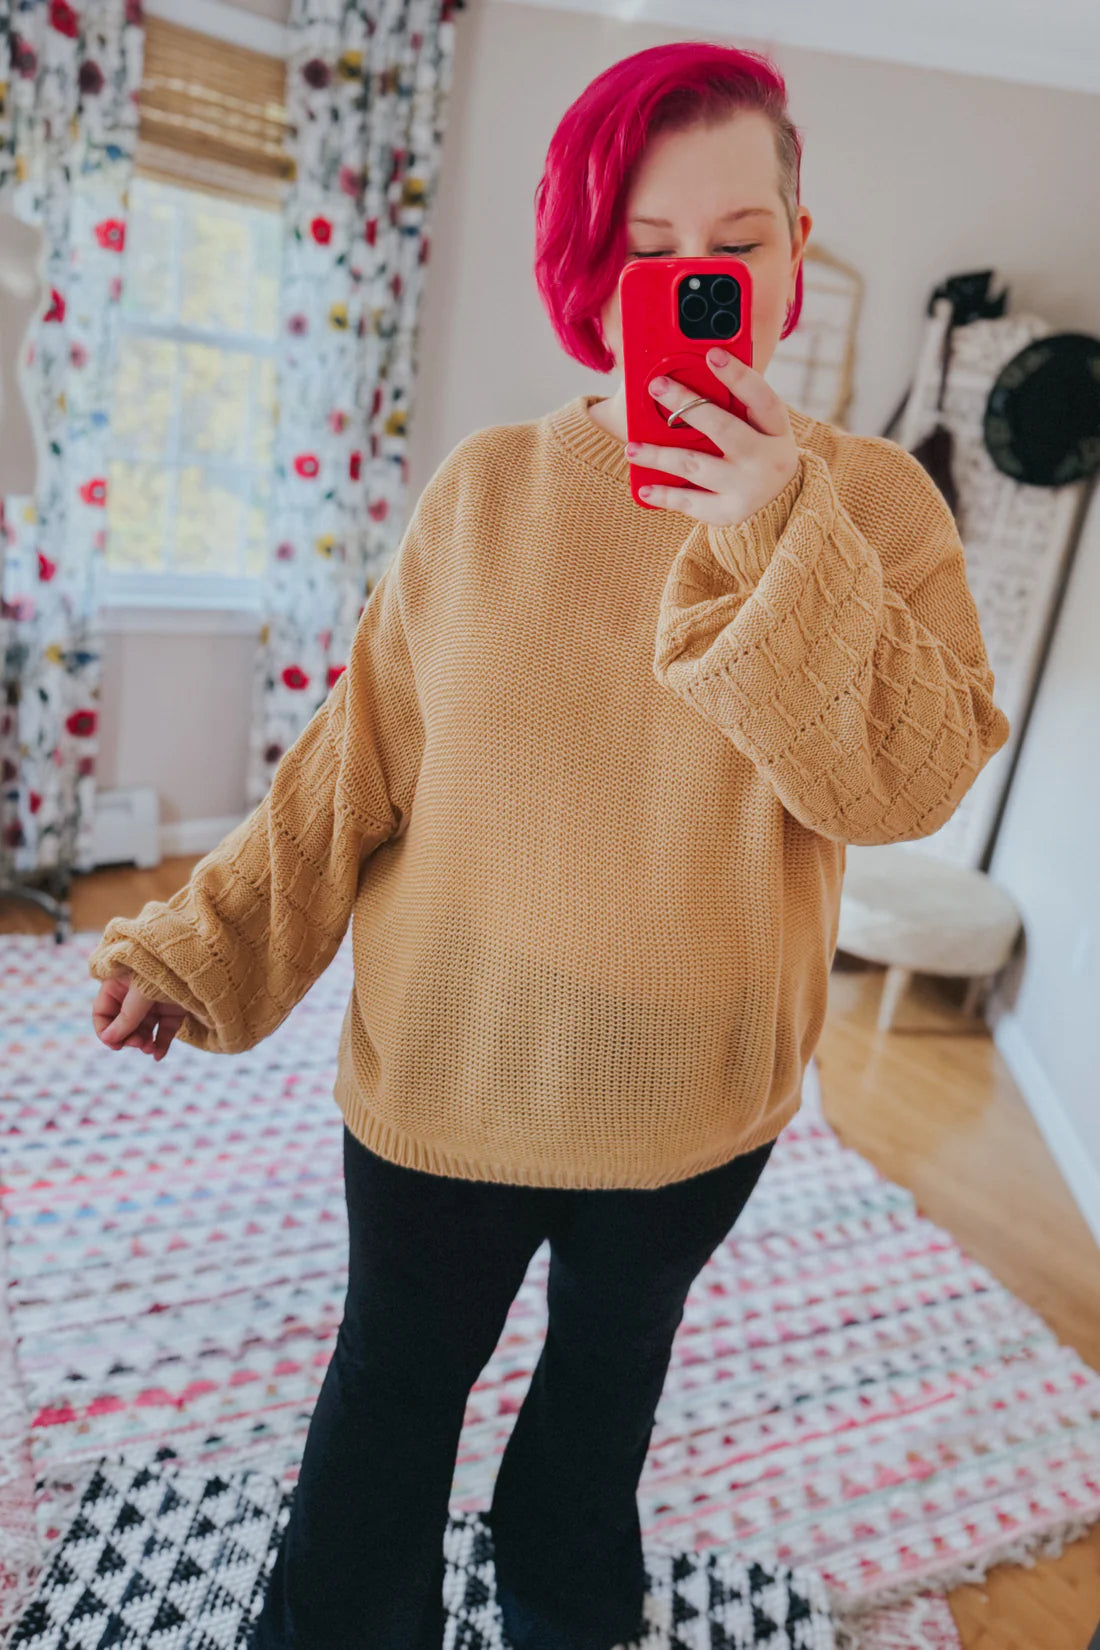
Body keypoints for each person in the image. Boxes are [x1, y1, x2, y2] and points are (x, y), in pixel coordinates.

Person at [86, 38, 1010, 1650]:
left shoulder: (878, 508)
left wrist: (777, 526)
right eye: (655, 256)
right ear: (595, 271)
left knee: (598, 1413)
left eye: (739, 247)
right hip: (450, 1073)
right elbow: (349, 764)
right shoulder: (486, 489)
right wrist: (202, 941)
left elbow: (908, 784)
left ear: (798, 253)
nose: (701, 285)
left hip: (693, 1103)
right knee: (383, 1423)